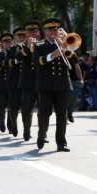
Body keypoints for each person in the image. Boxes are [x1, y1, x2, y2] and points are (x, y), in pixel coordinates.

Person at [32, 18, 78, 152]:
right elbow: (36, 61)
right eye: (50, 29)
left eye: (56, 29)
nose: (54, 31)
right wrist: (52, 55)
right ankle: (41, 135)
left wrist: (66, 49)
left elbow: (74, 60)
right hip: (45, 85)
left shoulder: (65, 44)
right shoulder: (39, 45)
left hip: (62, 84)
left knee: (62, 114)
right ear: (45, 31)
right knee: (44, 113)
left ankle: (61, 143)